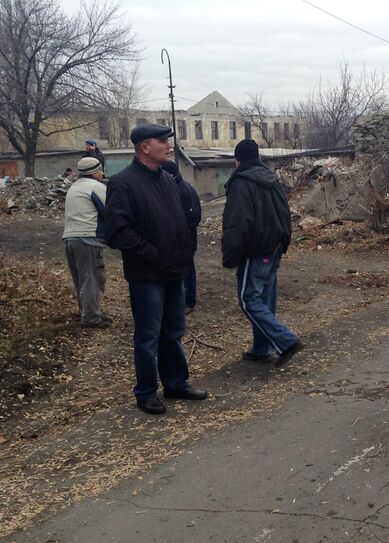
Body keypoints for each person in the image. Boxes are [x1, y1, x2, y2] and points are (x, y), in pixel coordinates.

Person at [105, 123, 207, 415]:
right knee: (148, 336)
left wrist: (184, 252)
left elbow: (179, 223)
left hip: (174, 272)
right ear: (144, 147)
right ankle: (146, 392)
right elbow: (116, 232)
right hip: (146, 275)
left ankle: (175, 384)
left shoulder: (166, 180)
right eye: (162, 141)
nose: (168, 145)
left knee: (173, 332)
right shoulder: (123, 183)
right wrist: (151, 253)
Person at [221, 139, 303, 367]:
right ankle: (261, 349)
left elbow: (237, 223)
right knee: (264, 301)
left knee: (249, 300)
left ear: (237, 160)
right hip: (273, 247)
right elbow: (285, 212)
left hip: (255, 250)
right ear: (257, 157)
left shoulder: (240, 183)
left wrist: (230, 257)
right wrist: (284, 241)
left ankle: (286, 341)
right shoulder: (271, 178)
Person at [62, 157, 111, 327]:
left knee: (80, 279)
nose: (102, 173)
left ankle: (89, 313)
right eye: (100, 170)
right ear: (94, 172)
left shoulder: (73, 187)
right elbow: (109, 211)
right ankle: (91, 319)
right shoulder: (96, 187)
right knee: (93, 279)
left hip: (69, 239)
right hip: (87, 238)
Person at [162, 161, 202, 313]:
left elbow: (193, 217)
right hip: (173, 239)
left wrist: (179, 233)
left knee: (187, 269)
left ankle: (188, 302)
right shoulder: (170, 188)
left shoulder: (184, 190)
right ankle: (177, 300)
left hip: (185, 239)